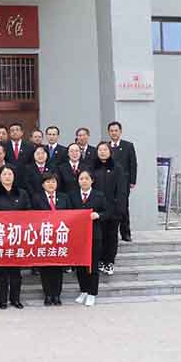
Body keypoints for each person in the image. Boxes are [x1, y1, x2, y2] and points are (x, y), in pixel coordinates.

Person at [0, 166, 31, 309]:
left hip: (16, 237)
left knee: (16, 272)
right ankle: (2, 300)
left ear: (14, 176)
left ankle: (15, 299)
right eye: (4, 174)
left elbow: (29, 213)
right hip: (0, 238)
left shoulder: (22, 193)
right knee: (1, 272)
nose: (7, 176)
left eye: (10, 174)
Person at [69, 170, 110, 307]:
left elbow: (108, 212)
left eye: (87, 178)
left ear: (92, 180)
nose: (84, 181)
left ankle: (92, 293)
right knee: (80, 265)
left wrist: (99, 215)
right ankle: (84, 291)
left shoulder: (99, 195)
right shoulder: (73, 196)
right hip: (78, 236)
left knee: (92, 265)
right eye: (81, 178)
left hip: (94, 235)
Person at [31, 173, 71, 306]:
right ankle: (48, 294)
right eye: (47, 182)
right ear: (43, 185)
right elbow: (32, 216)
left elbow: (71, 215)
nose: (51, 184)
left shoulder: (64, 198)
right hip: (44, 236)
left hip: (60, 236)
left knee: (58, 267)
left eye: (53, 181)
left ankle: (57, 294)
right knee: (45, 267)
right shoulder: (37, 198)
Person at [93, 142, 128, 276]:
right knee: (99, 237)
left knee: (111, 237)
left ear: (110, 152)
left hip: (113, 210)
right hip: (98, 211)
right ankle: (100, 260)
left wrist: (120, 209)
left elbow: (122, 190)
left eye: (105, 150)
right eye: (100, 150)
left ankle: (109, 262)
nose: (102, 152)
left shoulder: (117, 167)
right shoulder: (92, 167)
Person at [107, 121, 137, 242]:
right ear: (108, 132)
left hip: (123, 183)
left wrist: (132, 181)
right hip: (108, 182)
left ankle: (125, 233)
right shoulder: (106, 146)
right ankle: (111, 233)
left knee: (123, 207)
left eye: (116, 130)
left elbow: (133, 164)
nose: (114, 133)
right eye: (111, 131)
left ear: (120, 131)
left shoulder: (128, 146)